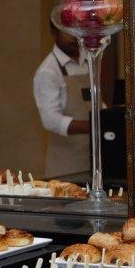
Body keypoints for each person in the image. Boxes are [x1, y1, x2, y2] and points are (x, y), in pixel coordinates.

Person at [32, 20, 93, 179]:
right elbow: (50, 119)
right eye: (67, 31)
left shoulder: (89, 60)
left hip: (93, 158)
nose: (73, 36)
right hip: (66, 166)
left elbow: (96, 100)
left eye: (76, 30)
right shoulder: (48, 71)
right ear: (54, 34)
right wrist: (94, 126)